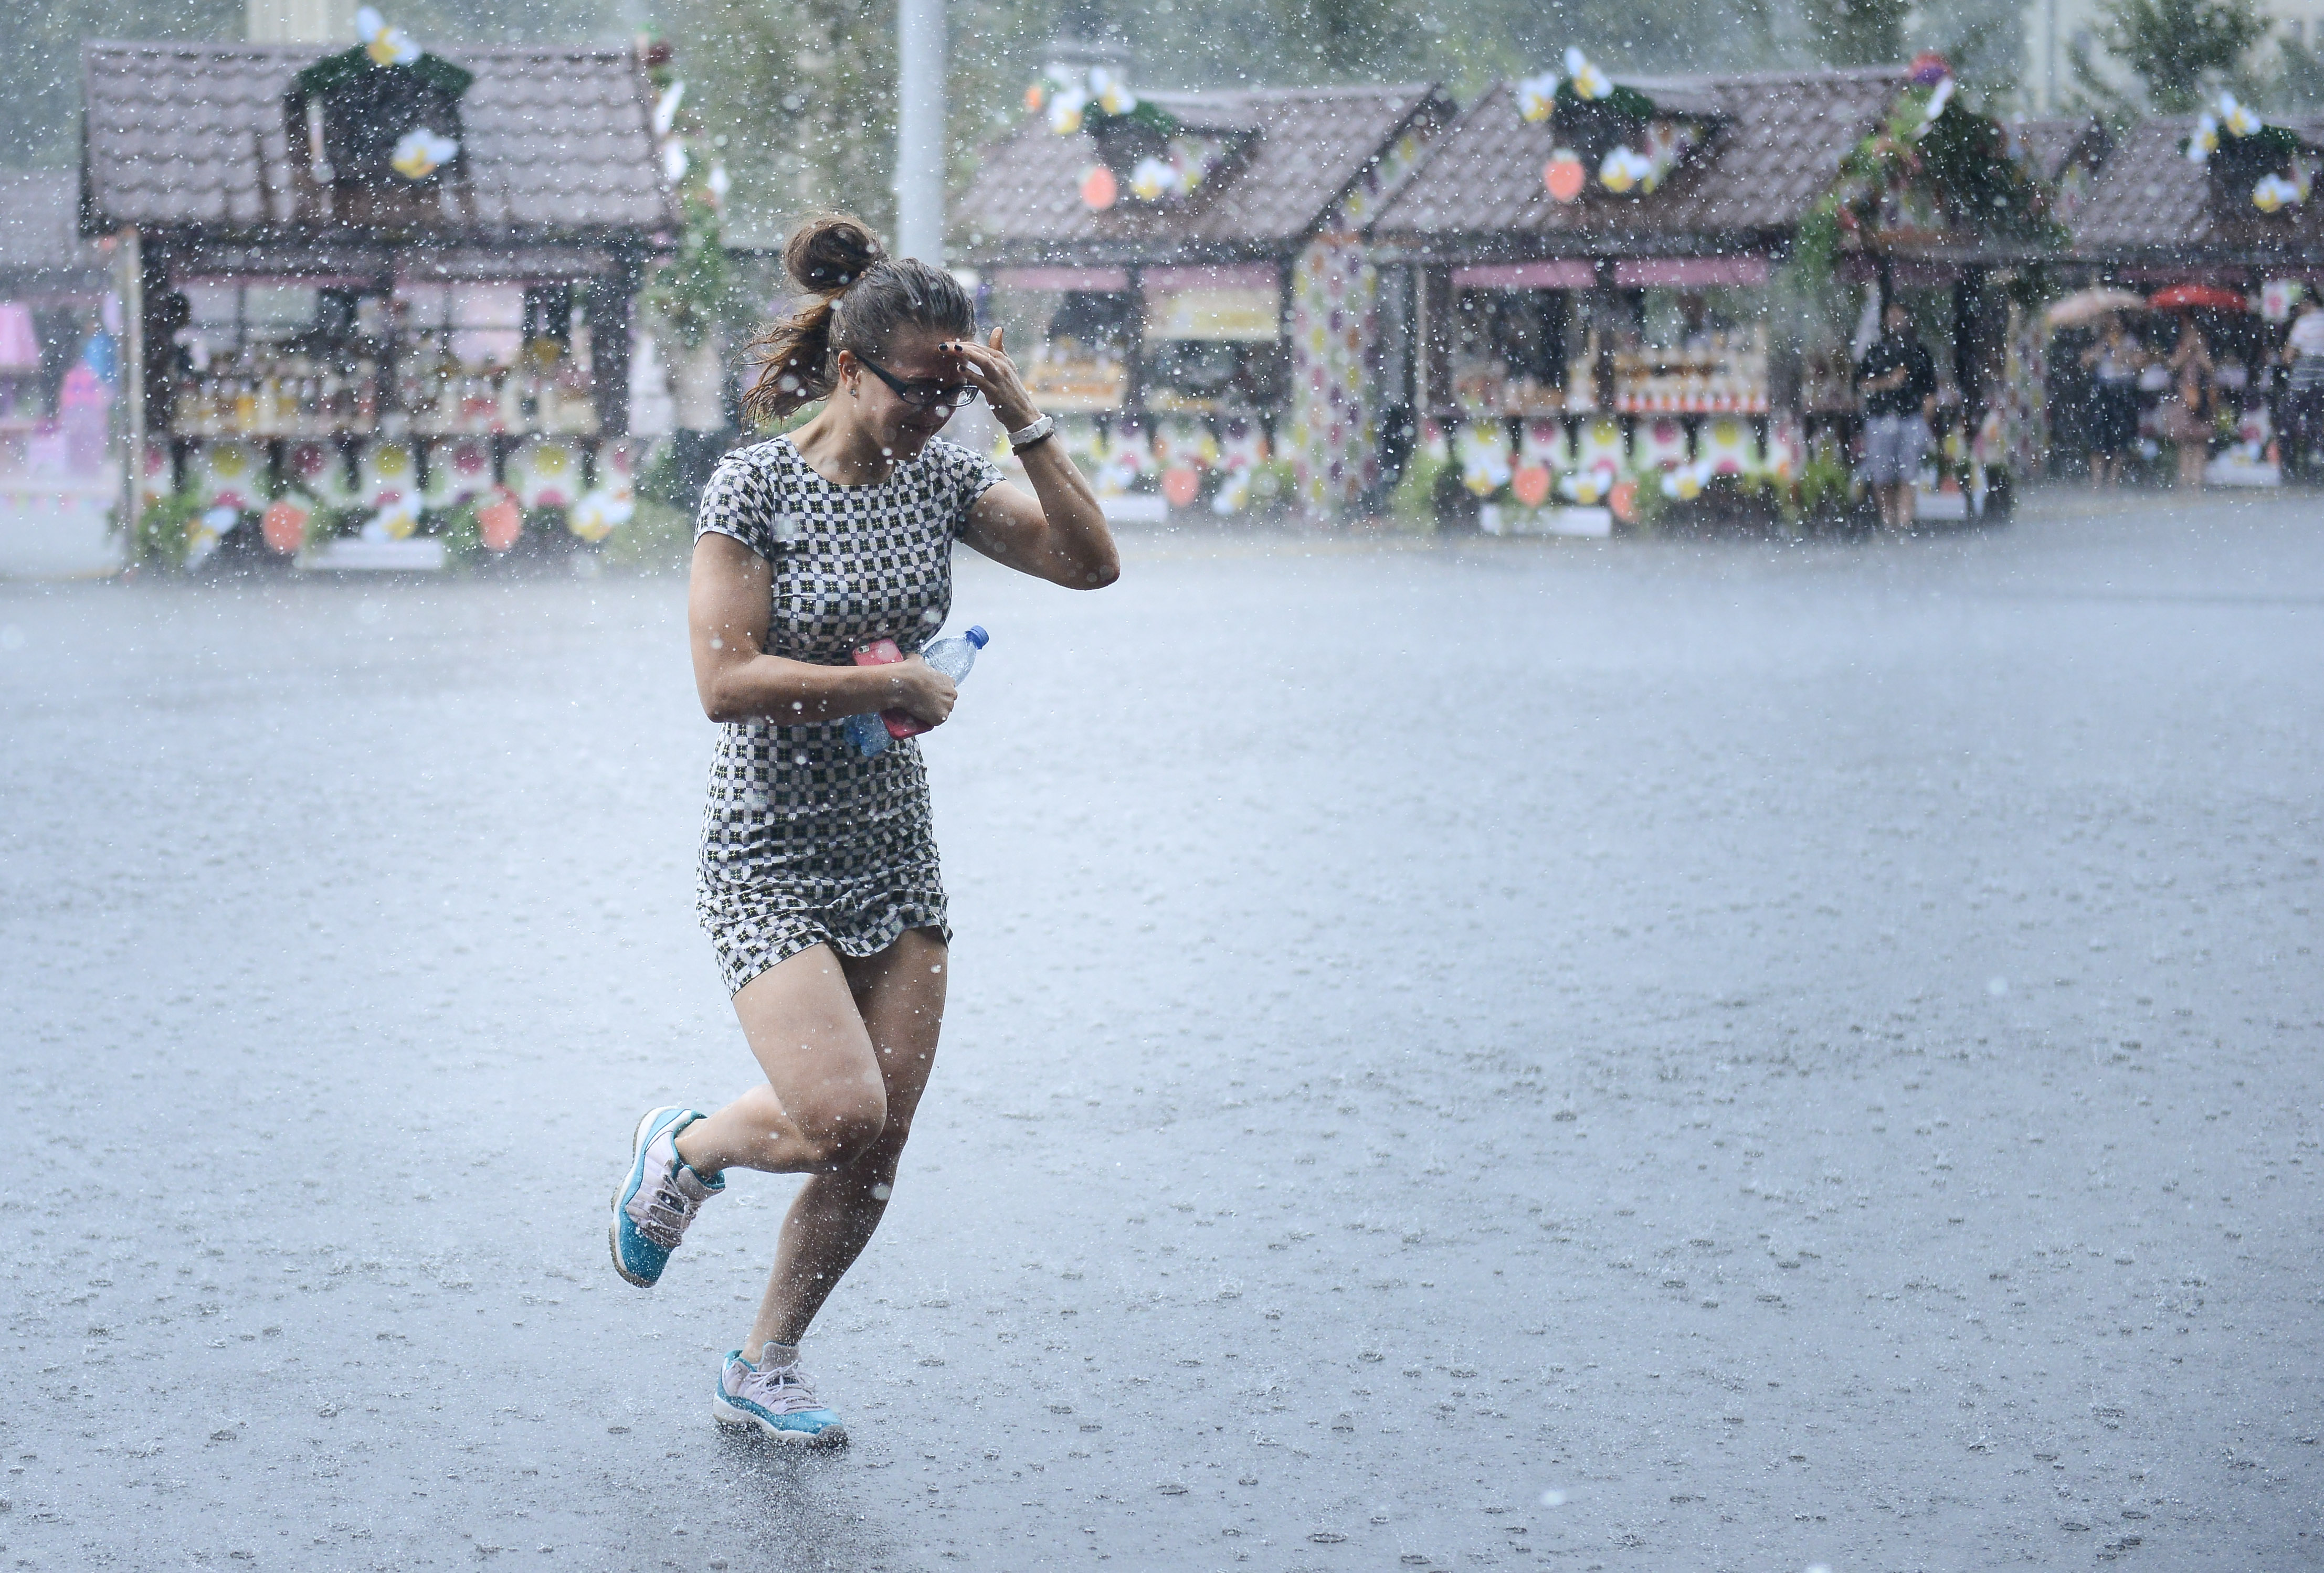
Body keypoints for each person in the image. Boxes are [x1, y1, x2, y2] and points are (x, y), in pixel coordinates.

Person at [608, 215, 1119, 1447]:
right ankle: (685, 1145)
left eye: (957, 391)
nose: (936, 415)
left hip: (893, 844)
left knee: (878, 1143)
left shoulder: (941, 476)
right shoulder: (755, 483)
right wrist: (885, 686)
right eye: (920, 390)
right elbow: (723, 681)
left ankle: (764, 1360)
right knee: (836, 1115)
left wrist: (1025, 419)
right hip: (768, 845)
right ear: (851, 368)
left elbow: (1089, 564)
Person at [1855, 299, 1938, 529]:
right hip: (1880, 419)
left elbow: (1930, 391)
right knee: (1882, 477)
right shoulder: (1875, 352)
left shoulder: (1919, 353)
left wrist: (1926, 417)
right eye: (1891, 317)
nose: (1895, 322)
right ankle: (1888, 521)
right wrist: (1887, 382)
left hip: (1911, 419)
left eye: (1900, 316)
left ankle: (1904, 522)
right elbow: (1861, 384)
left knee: (1907, 475)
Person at [2079, 316, 2145, 488]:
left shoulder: (2131, 342)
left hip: (2123, 389)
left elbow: (2140, 364)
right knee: (2098, 436)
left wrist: (2124, 355)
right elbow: (2085, 363)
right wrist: (2100, 350)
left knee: (2121, 437)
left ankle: (2113, 482)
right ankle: (2097, 481)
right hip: (2103, 390)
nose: (2114, 327)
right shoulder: (2099, 342)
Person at [2163, 318, 2215, 491]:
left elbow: (2210, 369)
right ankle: (2185, 478)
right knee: (2184, 441)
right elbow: (2172, 366)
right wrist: (2186, 352)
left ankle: (2198, 478)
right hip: (2183, 398)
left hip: (2201, 399)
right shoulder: (2181, 350)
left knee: (2200, 440)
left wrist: (2199, 351)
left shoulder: (2205, 351)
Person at [2281, 293, 2324, 481]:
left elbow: (2288, 356)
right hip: (2321, 384)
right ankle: (2317, 463)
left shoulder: (2303, 324)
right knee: (2318, 425)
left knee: (2289, 425)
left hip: (2301, 385)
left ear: (2308, 303)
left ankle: (2291, 469)